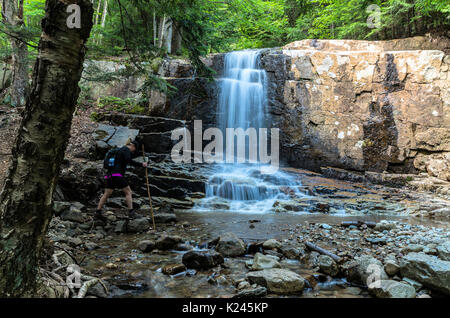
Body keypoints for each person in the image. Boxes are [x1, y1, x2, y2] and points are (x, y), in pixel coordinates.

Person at [95, 140, 147, 221]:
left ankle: (97, 212)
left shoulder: (119, 150)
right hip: (117, 175)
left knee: (107, 193)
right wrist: (141, 164)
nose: (133, 151)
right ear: (132, 146)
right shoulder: (126, 150)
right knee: (128, 192)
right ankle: (131, 212)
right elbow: (128, 160)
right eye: (134, 149)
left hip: (110, 175)